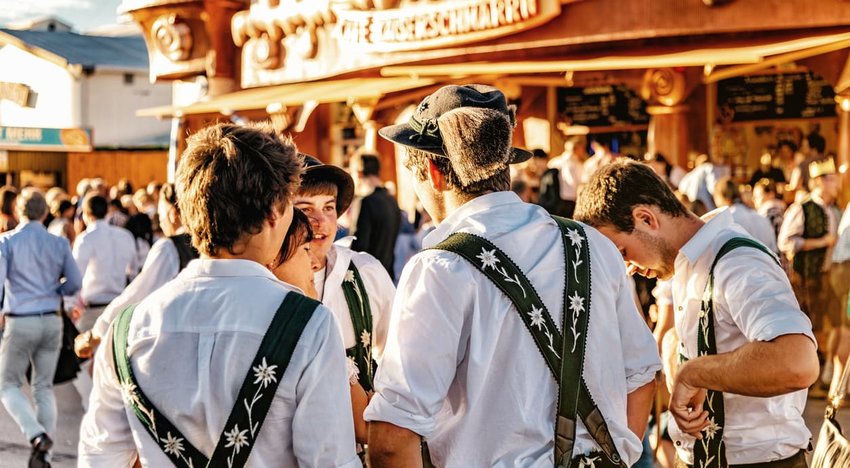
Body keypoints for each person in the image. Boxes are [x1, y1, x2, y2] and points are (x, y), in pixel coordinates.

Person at [365, 84, 660, 467]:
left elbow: (392, 437)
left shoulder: (440, 268)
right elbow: (640, 375)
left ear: (434, 173)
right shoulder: (591, 244)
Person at [78, 123, 360, 467]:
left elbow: (99, 458)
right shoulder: (308, 325)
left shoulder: (126, 330)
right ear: (274, 213)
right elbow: (329, 462)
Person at [575, 160, 818, 468]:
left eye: (623, 252)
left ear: (646, 218)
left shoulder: (737, 262)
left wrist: (695, 372)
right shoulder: (689, 263)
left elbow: (797, 362)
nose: (629, 268)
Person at [294, 155, 395, 444]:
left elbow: (397, 359)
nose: (321, 220)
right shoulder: (264, 283)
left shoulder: (365, 272)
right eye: (305, 209)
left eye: (329, 207)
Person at [0, 188, 82, 468]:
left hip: (20, 319)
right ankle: (43, 455)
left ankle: (36, 435)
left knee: (7, 384)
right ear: (45, 212)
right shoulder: (58, 244)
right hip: (51, 318)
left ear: (18, 212)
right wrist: (52, 289)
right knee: (43, 387)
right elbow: (74, 283)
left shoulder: (7, 242)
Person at [75, 183, 199, 362]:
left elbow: (138, 293)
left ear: (173, 213)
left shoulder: (170, 247)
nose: (160, 219)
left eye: (161, 212)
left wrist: (97, 332)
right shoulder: (213, 245)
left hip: (174, 343)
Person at [778, 158, 842, 395]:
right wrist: (820, 243)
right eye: (833, 179)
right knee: (809, 327)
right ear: (821, 182)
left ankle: (822, 376)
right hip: (807, 278)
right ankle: (809, 379)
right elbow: (785, 241)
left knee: (829, 327)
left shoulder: (835, 210)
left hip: (830, 277)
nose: (837, 184)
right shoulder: (802, 208)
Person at [72, 194, 138, 333]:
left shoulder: (86, 239)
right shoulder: (126, 236)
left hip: (92, 310)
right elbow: (133, 273)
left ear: (86, 214)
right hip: (119, 307)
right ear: (107, 211)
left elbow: (76, 276)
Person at [349, 152, 402, 280]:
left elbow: (358, 248)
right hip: (388, 277)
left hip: (368, 279)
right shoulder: (392, 201)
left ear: (358, 172)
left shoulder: (365, 202)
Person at [712, 176, 778, 253]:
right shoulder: (762, 219)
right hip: (766, 263)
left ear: (720, 197)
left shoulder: (725, 221)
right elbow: (774, 250)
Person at [541, 135, 587, 217]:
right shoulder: (575, 165)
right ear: (576, 148)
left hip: (554, 201)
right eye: (582, 148)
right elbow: (575, 184)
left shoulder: (554, 161)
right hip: (570, 202)